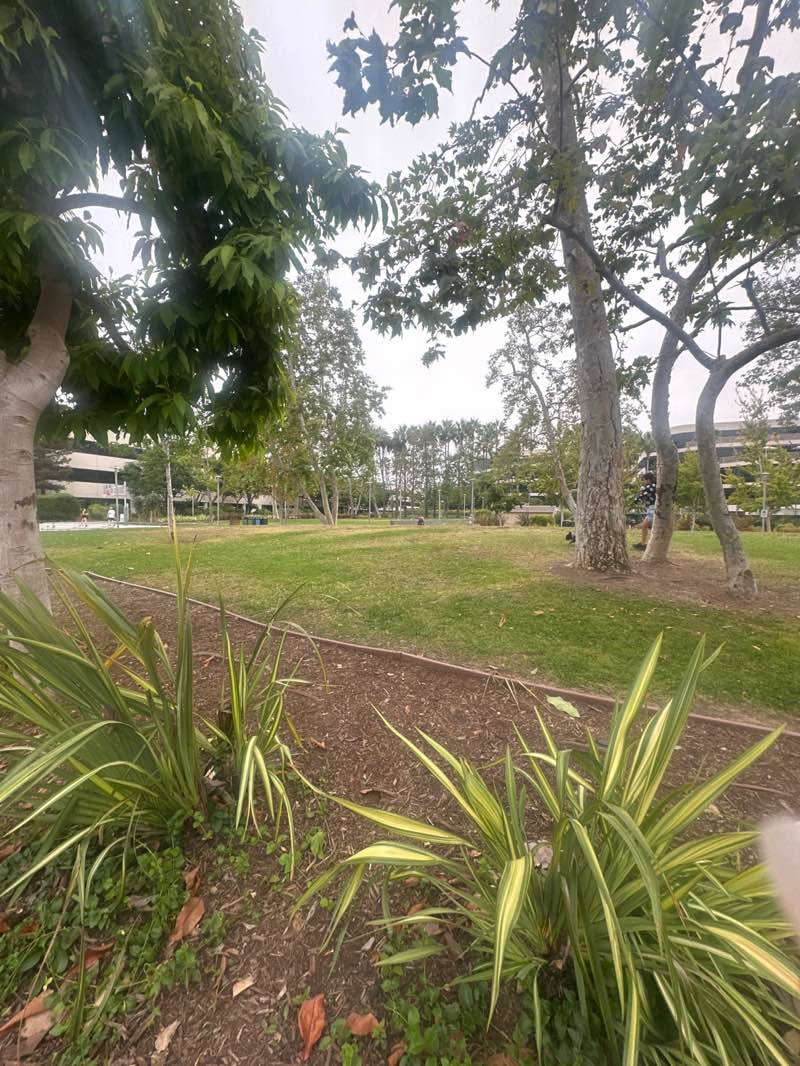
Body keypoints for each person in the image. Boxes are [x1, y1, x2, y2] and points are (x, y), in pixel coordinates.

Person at [633, 472, 657, 551]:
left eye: (644, 480)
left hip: (652, 508)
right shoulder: (656, 486)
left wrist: (635, 501)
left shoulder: (649, 487)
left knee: (647, 526)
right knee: (644, 526)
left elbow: (641, 497)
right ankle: (643, 544)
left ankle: (646, 544)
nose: (644, 482)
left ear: (648, 480)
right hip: (653, 508)